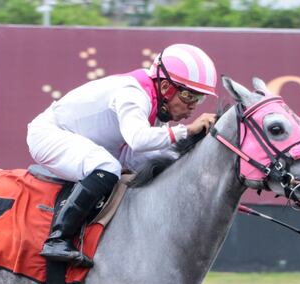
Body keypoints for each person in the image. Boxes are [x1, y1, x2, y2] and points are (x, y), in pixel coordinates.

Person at [28, 44, 220, 268]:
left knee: (167, 158)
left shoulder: (156, 101)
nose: (192, 107)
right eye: (189, 96)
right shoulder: (133, 93)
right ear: (166, 86)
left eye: (199, 100)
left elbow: (155, 148)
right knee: (108, 167)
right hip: (50, 134)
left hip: (101, 143)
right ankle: (57, 239)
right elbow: (138, 139)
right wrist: (188, 130)